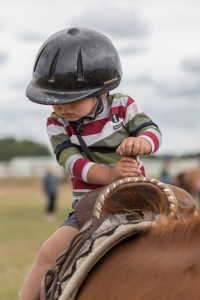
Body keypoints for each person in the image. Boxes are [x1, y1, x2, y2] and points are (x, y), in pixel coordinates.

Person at [19, 27, 162, 300]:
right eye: (56, 102)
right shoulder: (57, 124)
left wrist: (142, 143)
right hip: (90, 207)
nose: (63, 108)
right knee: (49, 253)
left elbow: (153, 132)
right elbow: (72, 163)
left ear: (102, 92)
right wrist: (110, 175)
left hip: (139, 197)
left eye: (71, 100)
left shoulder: (125, 106)